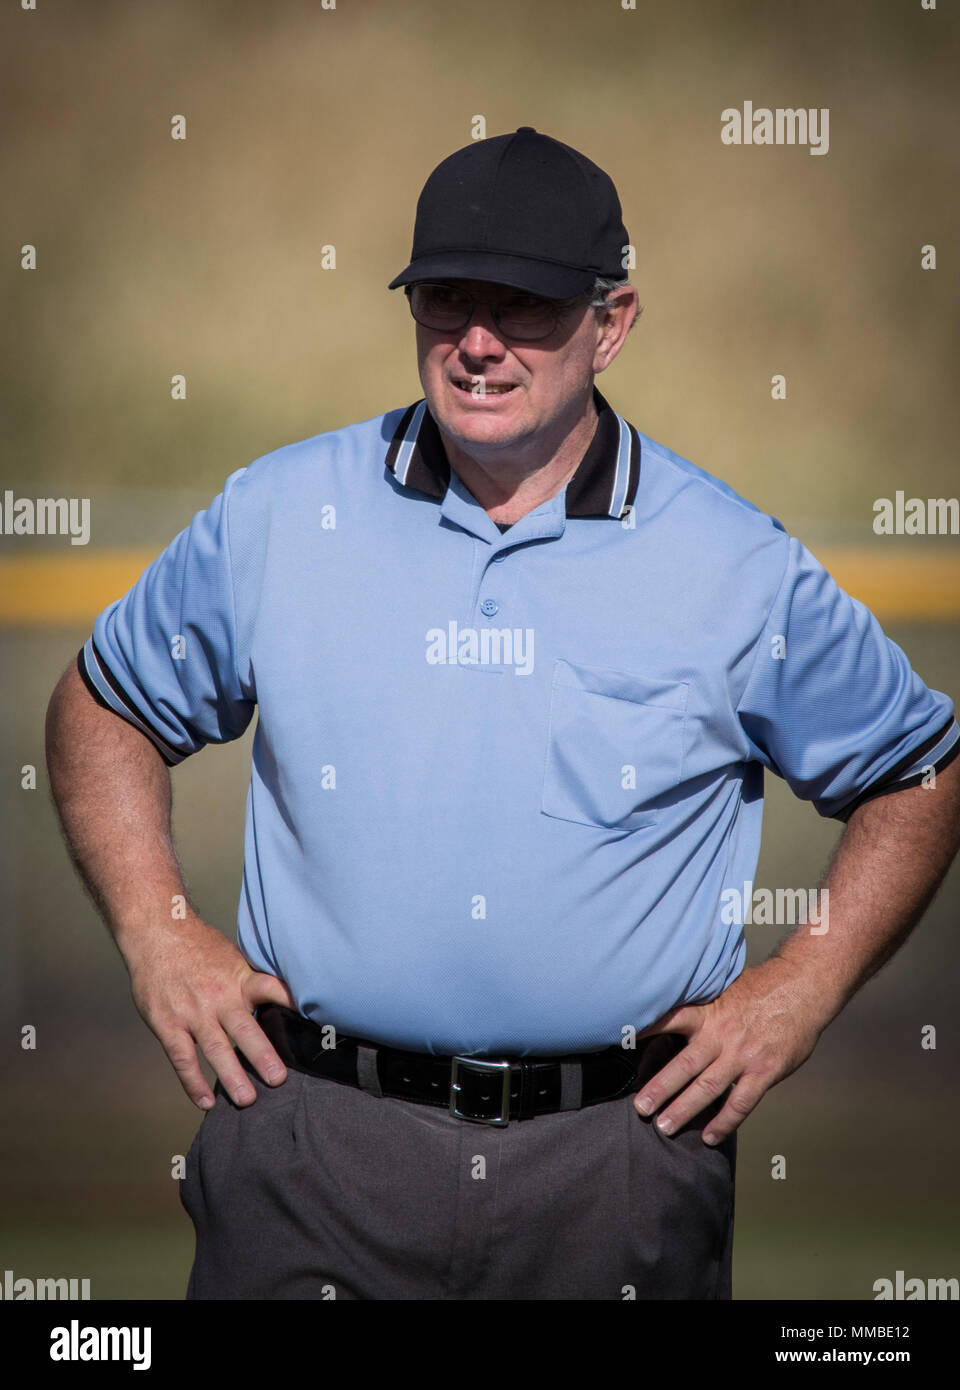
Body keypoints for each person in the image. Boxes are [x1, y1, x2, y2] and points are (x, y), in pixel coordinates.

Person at [46, 127, 960, 1301]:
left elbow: (918, 772)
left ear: (611, 322)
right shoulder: (280, 514)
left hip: (618, 1165)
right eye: (446, 299)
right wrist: (156, 929)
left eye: (525, 306)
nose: (478, 342)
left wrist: (803, 987)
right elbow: (104, 705)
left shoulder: (733, 563)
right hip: (311, 1147)